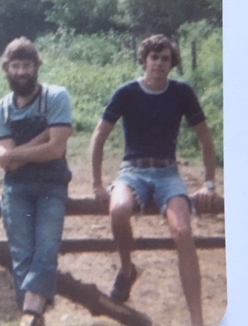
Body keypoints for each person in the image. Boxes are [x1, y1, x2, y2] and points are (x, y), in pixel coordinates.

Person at [90, 34, 218, 326]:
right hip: (133, 170)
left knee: (183, 231)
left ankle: (197, 319)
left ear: (172, 64)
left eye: (165, 59)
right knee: (119, 208)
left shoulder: (182, 92)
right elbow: (99, 136)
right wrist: (97, 182)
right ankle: (126, 269)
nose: (159, 63)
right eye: (154, 57)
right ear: (144, 59)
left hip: (167, 173)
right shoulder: (127, 92)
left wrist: (209, 182)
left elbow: (206, 139)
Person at [0, 37, 74, 326]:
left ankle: (30, 312)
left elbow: (56, 149)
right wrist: (41, 141)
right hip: (17, 187)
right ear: (7, 69)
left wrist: (15, 153)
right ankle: (34, 314)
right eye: (15, 66)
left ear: (37, 66)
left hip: (52, 184)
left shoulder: (56, 96)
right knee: (22, 252)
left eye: (27, 65)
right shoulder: (1, 109)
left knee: (48, 246)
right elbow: (6, 161)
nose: (22, 72)